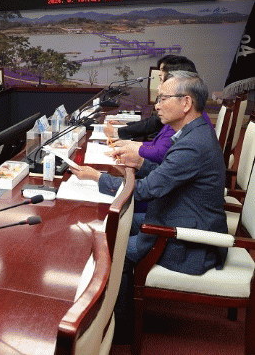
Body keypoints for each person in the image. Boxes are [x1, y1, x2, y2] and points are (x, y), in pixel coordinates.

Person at [72, 71, 227, 342]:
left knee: (113, 248)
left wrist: (96, 177)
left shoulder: (193, 144)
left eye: (163, 98)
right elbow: (168, 176)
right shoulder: (195, 132)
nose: (157, 105)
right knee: (109, 225)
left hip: (188, 242)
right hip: (175, 215)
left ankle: (120, 329)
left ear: (186, 103)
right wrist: (141, 163)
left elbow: (145, 190)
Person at [107, 56, 211, 165]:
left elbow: (160, 154)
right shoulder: (184, 119)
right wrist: (129, 145)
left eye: (162, 80)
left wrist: (133, 151)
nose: (158, 87)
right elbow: (157, 146)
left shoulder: (190, 135)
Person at [104, 55, 200, 141]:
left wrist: (118, 133)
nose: (158, 86)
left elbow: (154, 126)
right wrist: (124, 126)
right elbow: (154, 121)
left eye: (161, 79)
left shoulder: (180, 118)